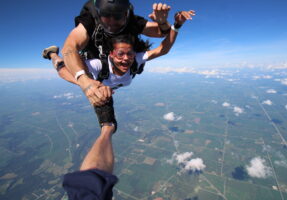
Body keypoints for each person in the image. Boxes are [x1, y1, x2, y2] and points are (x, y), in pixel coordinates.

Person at [43, 10, 195, 133]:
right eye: (120, 54)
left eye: (129, 54)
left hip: (107, 83)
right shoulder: (98, 65)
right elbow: (64, 72)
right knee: (61, 64)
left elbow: (163, 49)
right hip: (91, 76)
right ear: (111, 54)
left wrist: (177, 25)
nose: (126, 59)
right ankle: (51, 53)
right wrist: (85, 83)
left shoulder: (136, 59)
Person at [59, 0, 173, 107]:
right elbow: (69, 48)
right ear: (98, 14)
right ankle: (52, 55)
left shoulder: (133, 21)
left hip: (116, 69)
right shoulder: (89, 21)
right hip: (97, 66)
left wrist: (162, 22)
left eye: (117, 16)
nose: (112, 21)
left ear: (126, 14)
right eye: (106, 15)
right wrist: (84, 81)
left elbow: (162, 33)